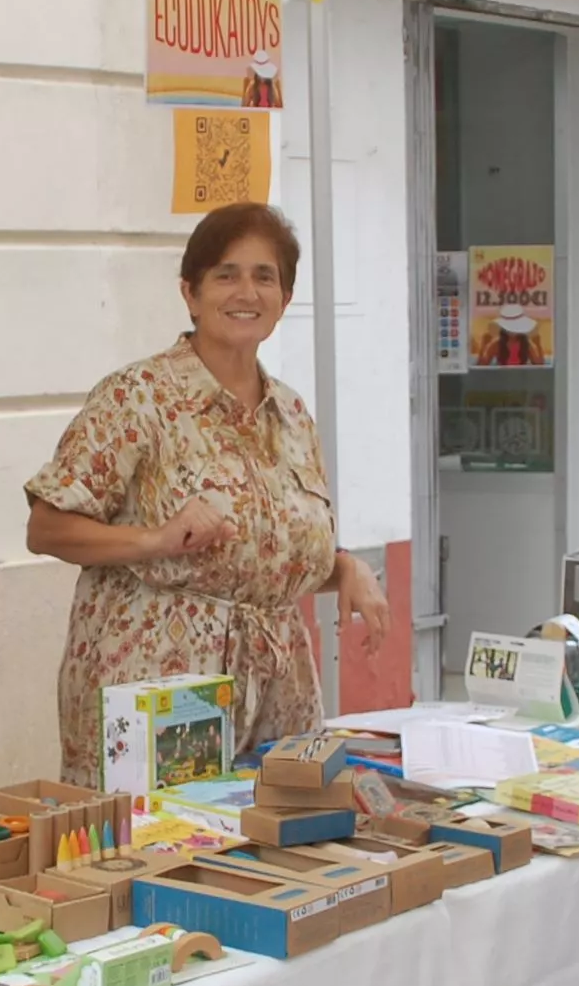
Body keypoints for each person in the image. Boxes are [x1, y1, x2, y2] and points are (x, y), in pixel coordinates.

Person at [24, 203, 389, 785]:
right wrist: (156, 539)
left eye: (264, 276)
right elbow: (47, 528)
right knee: (166, 858)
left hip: (279, 693)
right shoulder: (138, 397)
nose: (246, 291)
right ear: (190, 294)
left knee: (276, 856)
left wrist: (343, 567)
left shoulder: (291, 412)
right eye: (226, 274)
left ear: (284, 299)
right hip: (162, 692)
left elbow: (266, 554)